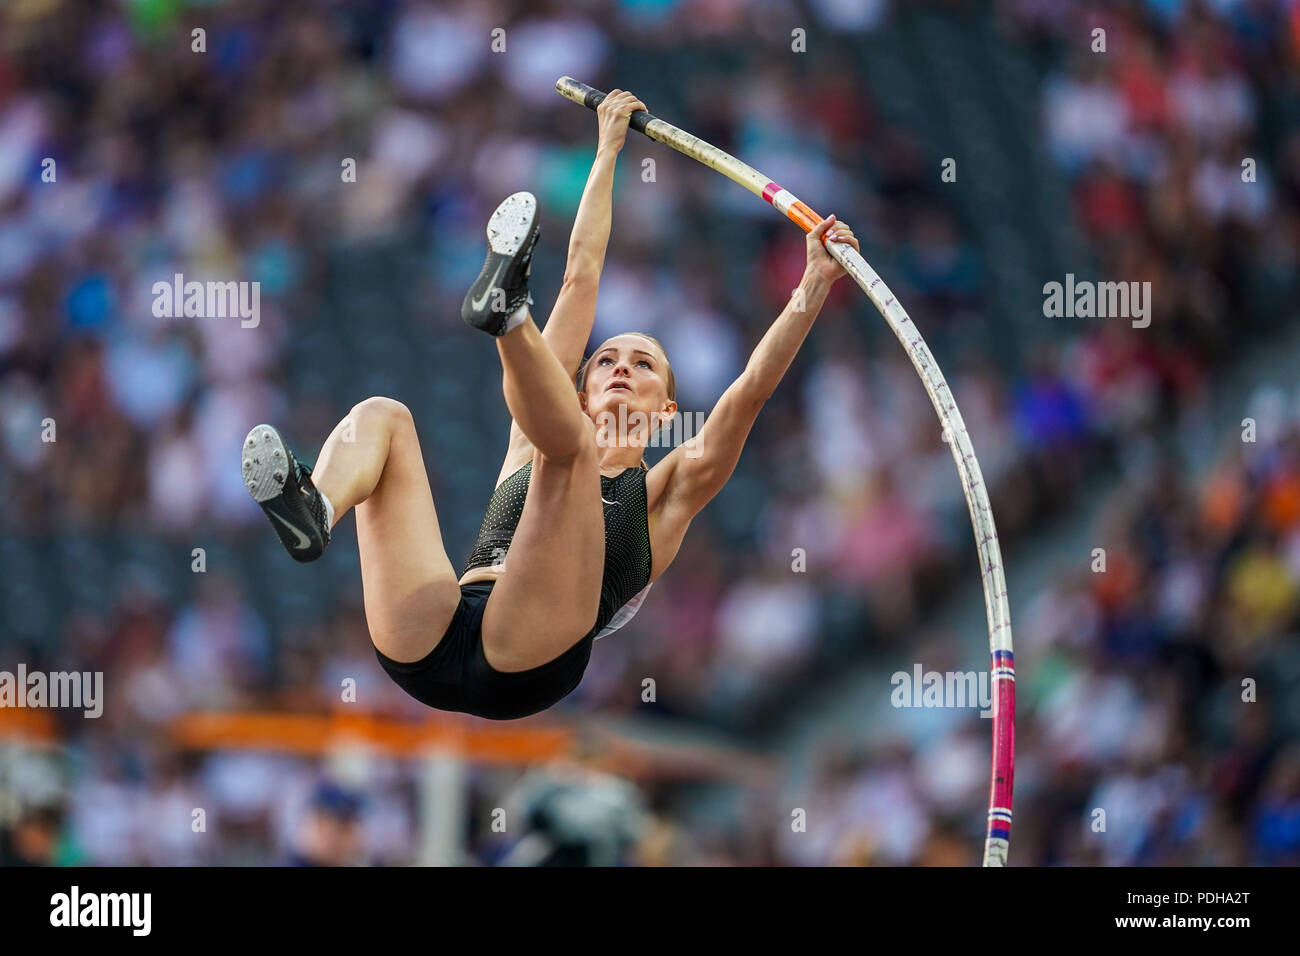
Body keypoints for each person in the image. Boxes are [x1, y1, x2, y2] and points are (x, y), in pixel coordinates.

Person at [241, 89, 859, 720]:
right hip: (430, 639)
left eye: (642, 365)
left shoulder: (672, 487)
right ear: (582, 388)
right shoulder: (536, 437)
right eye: (607, 362)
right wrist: (608, 147)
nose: (620, 368)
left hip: (529, 662)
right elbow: (581, 272)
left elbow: (750, 391)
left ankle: (509, 318)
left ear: (668, 410)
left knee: (569, 453)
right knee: (383, 415)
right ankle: (317, 507)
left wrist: (810, 284)